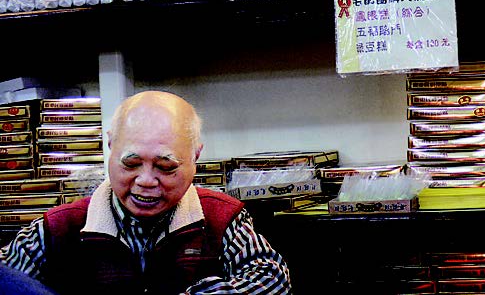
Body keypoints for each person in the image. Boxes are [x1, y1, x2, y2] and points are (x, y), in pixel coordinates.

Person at [0, 90, 292, 295]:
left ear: (195, 157)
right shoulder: (58, 228)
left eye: (166, 166)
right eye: (132, 163)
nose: (146, 181)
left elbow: (271, 278)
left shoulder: (222, 217)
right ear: (110, 148)